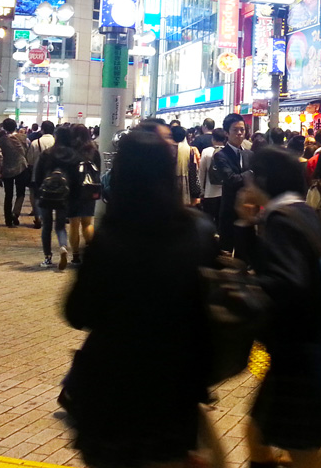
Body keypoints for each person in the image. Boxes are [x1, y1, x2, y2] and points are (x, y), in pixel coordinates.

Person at [62, 128, 217, 468]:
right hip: (174, 393)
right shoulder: (199, 231)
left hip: (112, 392)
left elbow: (77, 312)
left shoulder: (110, 237)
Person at [242, 147, 321, 468]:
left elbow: (289, 282)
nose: (246, 181)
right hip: (309, 349)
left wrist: (250, 296)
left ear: (262, 178)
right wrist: (247, 225)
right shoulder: (299, 210)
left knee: (300, 450)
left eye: (251, 175)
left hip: (299, 355)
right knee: (260, 434)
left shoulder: (281, 219)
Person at [33, 124, 82, 270]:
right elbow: (77, 178)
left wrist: (38, 194)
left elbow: (38, 175)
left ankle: (47, 258)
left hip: (46, 194)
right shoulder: (74, 155)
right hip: (64, 195)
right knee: (60, 226)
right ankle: (62, 247)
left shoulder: (47, 153)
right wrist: (74, 196)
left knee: (46, 226)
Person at [211, 113, 252, 259]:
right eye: (235, 130)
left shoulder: (249, 154)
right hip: (229, 209)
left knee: (245, 253)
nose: (240, 133)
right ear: (227, 133)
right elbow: (231, 179)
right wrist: (252, 173)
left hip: (248, 210)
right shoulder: (220, 155)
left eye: (242, 129)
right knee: (226, 252)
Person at [68, 125, 100, 265]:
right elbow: (98, 171)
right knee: (87, 223)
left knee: (73, 225)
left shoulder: (69, 150)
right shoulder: (94, 150)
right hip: (89, 189)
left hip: (72, 190)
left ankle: (75, 256)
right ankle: (92, 251)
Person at [0, 118, 29, 227]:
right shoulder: (23, 138)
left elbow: (1, 155)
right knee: (20, 193)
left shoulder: (2, 139)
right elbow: (26, 151)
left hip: (7, 168)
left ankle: (8, 219)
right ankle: (15, 213)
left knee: (8, 195)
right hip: (21, 167)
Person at [27, 121, 56, 229]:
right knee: (51, 195)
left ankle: (38, 217)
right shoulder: (56, 142)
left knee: (37, 196)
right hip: (53, 173)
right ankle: (47, 217)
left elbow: (30, 160)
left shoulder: (35, 142)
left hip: (37, 173)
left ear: (42, 129)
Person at [198, 128, 227, 231]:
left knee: (209, 219)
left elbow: (201, 172)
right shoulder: (228, 151)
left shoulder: (206, 152)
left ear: (213, 139)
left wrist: (201, 190)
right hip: (225, 192)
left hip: (210, 192)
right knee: (222, 220)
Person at [172, 125, 202, 209]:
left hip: (171, 183)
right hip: (187, 184)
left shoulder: (167, 149)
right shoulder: (191, 150)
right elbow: (195, 169)